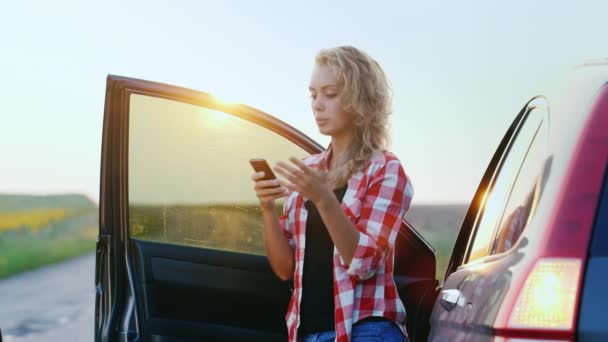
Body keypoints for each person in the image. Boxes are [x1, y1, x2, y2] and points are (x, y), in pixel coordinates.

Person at [251, 46, 413, 342]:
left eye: (330, 93)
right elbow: (285, 268)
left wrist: (324, 199)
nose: (317, 104)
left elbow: (363, 262)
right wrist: (267, 209)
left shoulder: (386, 170)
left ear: (359, 98)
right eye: (313, 94)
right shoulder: (309, 169)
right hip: (306, 331)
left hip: (366, 328)